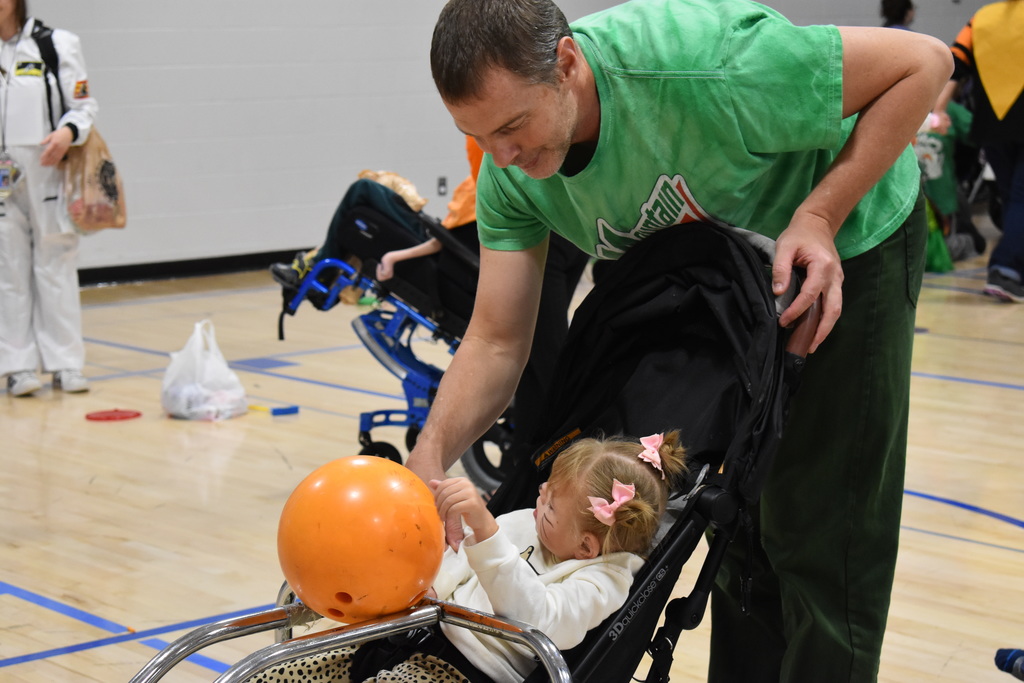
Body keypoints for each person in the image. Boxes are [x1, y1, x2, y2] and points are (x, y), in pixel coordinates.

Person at [407, 1, 953, 681]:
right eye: (478, 136)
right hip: (717, 281)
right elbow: (494, 339)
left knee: (822, 526)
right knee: (733, 518)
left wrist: (819, 214)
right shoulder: (509, 173)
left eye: (513, 126)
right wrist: (430, 450)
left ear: (567, 65)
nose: (503, 157)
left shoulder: (708, 67)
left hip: (846, 237)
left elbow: (925, 63)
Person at [248, 431, 689, 683]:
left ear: (587, 547)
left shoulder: (602, 583)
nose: (539, 500)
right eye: (545, 490)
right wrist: (387, 598)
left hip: (467, 674)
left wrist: (487, 533)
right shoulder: (531, 523)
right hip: (414, 634)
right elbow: (455, 565)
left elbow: (540, 619)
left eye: (552, 505)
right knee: (276, 675)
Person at [0, 1, 96, 397]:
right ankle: (17, 366)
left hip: (47, 168)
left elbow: (83, 107)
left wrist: (67, 133)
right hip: (3, 176)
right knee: (7, 271)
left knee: (55, 265)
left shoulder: (55, 44)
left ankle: (66, 364)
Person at [933, 0, 1024, 302]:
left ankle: (1015, 270)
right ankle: (1005, 271)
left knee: (1012, 198)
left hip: (992, 127)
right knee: (1020, 201)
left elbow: (955, 66)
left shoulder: (982, 18)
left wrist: (939, 110)